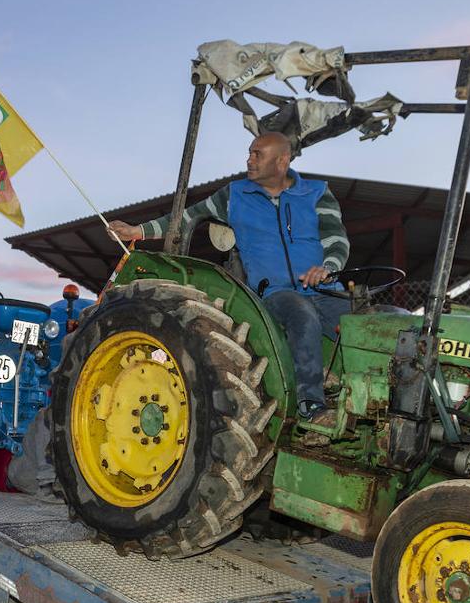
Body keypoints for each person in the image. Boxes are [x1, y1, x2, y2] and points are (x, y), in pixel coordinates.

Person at [107, 131, 350, 425]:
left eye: (257, 154)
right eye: (249, 152)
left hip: (325, 287)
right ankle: (310, 407)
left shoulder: (316, 192)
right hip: (274, 294)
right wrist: (138, 232)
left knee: (361, 325)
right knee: (302, 314)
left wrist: (328, 267)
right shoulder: (235, 195)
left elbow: (336, 239)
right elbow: (184, 219)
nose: (249, 159)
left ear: (282, 160)